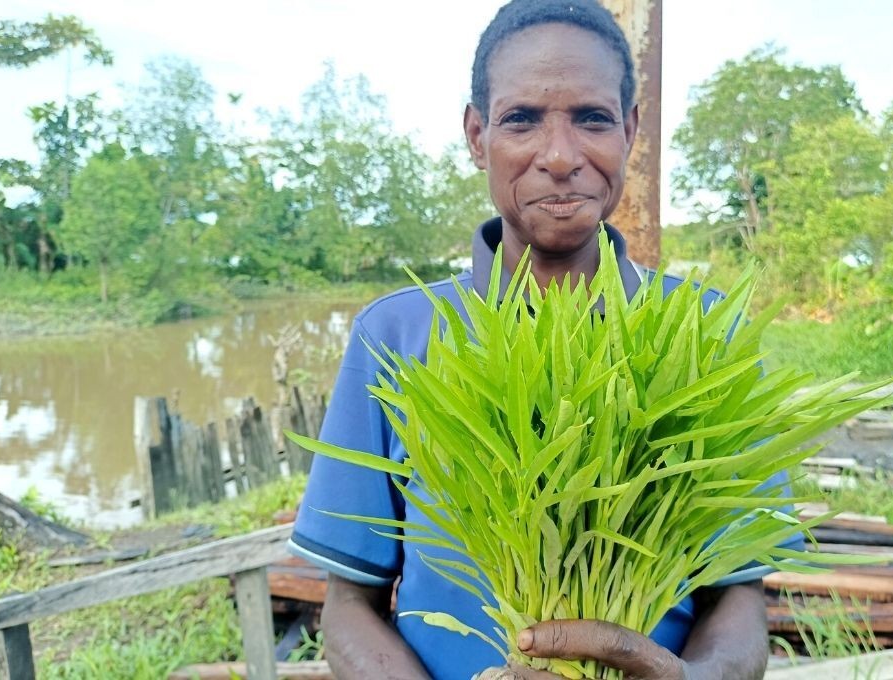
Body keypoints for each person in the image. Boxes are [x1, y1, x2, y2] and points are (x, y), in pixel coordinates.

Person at [289, 1, 801, 678]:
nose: (559, 158)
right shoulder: (396, 336)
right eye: (522, 119)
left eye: (591, 118)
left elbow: (739, 592)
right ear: (477, 136)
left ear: (630, 130)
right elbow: (349, 602)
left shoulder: (705, 332)